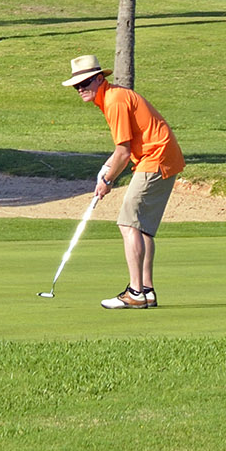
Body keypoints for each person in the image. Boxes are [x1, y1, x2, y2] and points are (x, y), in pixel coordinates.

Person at [66, 54, 183, 309]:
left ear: (99, 79)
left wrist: (107, 180)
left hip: (155, 158)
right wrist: (105, 168)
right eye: (76, 86)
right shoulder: (112, 97)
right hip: (164, 157)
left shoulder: (115, 100)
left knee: (127, 224)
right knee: (141, 228)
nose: (80, 89)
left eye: (85, 83)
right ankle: (147, 291)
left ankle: (135, 292)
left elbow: (123, 152)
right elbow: (121, 149)